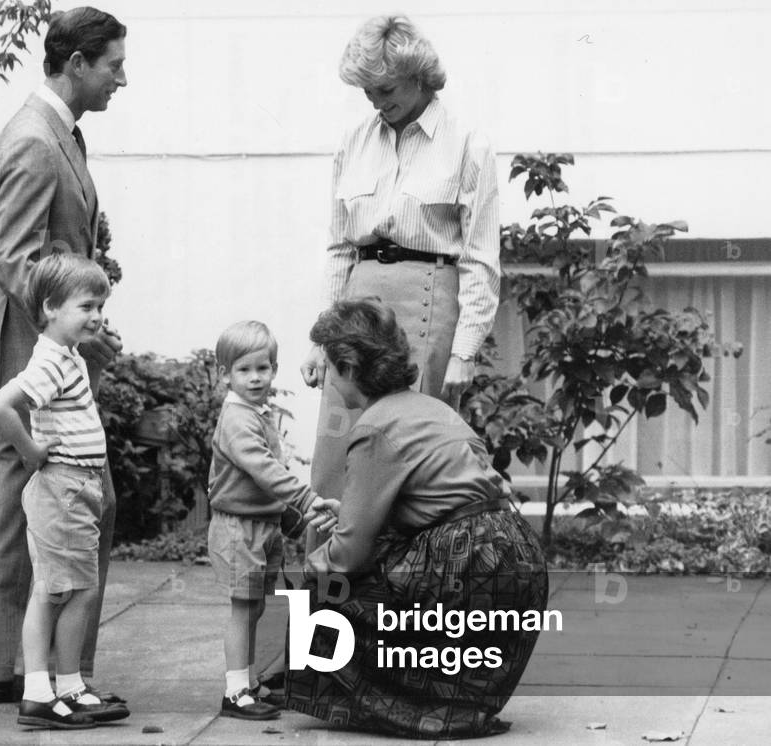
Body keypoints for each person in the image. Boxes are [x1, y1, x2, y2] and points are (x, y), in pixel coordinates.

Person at [284, 298, 549, 739]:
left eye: (330, 368)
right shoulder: (434, 408)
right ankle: (461, 705)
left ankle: (419, 710)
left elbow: (348, 554)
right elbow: (453, 492)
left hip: (468, 564)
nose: (328, 379)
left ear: (349, 368)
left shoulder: (372, 428)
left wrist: (307, 582)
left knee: (323, 593)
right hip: (519, 557)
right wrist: (352, 514)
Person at [0, 6, 127, 705]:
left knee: (28, 510)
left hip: (38, 347)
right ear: (76, 65)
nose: (121, 79)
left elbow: (48, 245)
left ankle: (18, 667)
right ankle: (30, 672)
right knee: (35, 508)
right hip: (26, 355)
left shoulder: (57, 133)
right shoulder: (38, 140)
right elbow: (13, 257)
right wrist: (73, 327)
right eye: (113, 66)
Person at [300, 13, 501, 515]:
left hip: (427, 304)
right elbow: (340, 248)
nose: (375, 100)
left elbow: (480, 257)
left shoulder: (467, 142)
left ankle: (404, 588)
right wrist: (318, 338)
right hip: (356, 306)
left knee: (407, 454)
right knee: (336, 450)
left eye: (384, 88)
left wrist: (464, 352)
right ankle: (329, 586)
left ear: (418, 75)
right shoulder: (354, 142)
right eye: (366, 90)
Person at [0, 254, 129, 729]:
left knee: (77, 591)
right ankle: (40, 694)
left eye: (101, 307)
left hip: (77, 487)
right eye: (87, 306)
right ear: (50, 307)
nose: (97, 316)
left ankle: (67, 686)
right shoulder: (51, 360)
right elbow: (1, 405)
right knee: (55, 591)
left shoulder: (67, 355)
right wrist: (29, 452)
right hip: (63, 488)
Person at [206, 321, 336, 721]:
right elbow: (263, 469)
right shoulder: (237, 419)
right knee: (242, 610)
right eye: (243, 370)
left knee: (256, 607)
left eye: (263, 368)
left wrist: (293, 519)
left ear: (275, 369)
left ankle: (247, 682)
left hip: (262, 526)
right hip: (237, 529)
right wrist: (305, 499)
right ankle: (234, 692)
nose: (256, 377)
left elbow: (269, 473)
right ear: (224, 374)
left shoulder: (256, 413)